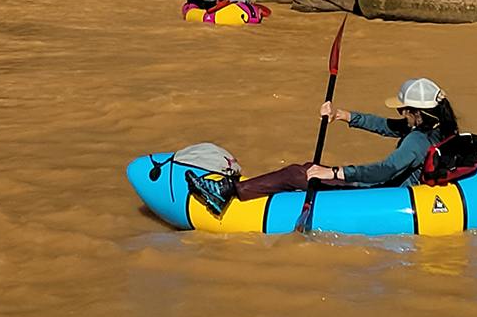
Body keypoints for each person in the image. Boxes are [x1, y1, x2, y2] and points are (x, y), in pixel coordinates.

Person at [186, 77, 458, 217]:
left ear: (417, 112)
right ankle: (241, 188)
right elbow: (386, 125)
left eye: (403, 109)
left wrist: (336, 173)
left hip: (384, 192)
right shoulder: (439, 129)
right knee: (308, 169)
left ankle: (228, 192)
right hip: (398, 186)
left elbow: (383, 172)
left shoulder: (416, 140)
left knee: (297, 173)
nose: (399, 112)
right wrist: (342, 114)